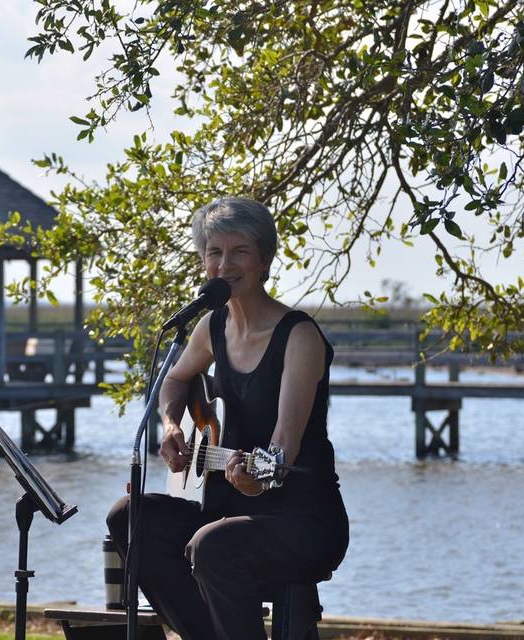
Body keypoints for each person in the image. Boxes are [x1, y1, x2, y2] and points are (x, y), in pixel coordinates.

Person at [107, 197, 349, 640]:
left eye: (239, 252)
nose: (224, 264)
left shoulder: (299, 337)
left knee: (212, 544)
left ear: (264, 261)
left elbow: (282, 449)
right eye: (214, 252)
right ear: (203, 262)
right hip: (227, 509)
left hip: (303, 519)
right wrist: (172, 426)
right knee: (128, 515)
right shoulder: (210, 327)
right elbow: (175, 382)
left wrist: (260, 479)